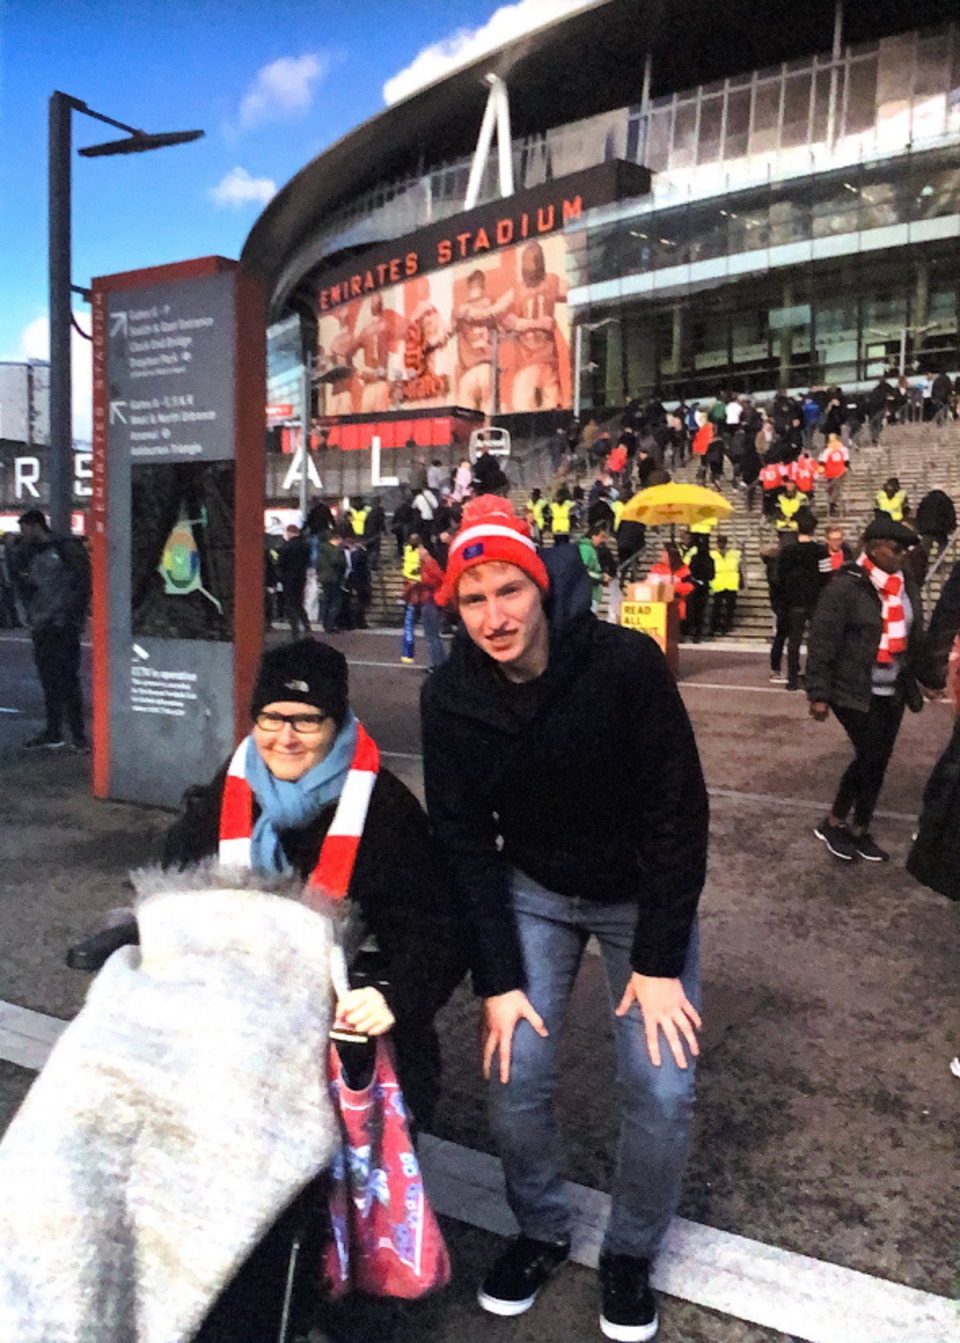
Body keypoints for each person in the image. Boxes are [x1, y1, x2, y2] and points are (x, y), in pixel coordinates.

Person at [420, 495, 707, 1342]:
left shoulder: (623, 664)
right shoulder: (449, 696)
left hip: (639, 890)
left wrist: (657, 959)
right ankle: (540, 1225)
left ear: (541, 587)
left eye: (508, 589)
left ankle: (630, 1252)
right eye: (473, 600)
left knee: (661, 1083)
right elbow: (464, 841)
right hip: (533, 885)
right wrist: (498, 978)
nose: (494, 616)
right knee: (513, 1071)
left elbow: (678, 812)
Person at [163, 639, 465, 1128]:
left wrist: (392, 995)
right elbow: (173, 882)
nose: (286, 737)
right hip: (236, 1012)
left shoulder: (384, 808)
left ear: (336, 722)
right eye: (271, 718)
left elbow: (435, 929)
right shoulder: (231, 785)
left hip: (339, 1023)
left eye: (306, 719)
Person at [806, 517, 925, 863]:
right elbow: (823, 641)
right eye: (897, 548)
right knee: (871, 754)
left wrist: (928, 678)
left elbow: (914, 633)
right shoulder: (847, 586)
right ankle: (832, 822)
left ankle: (859, 828)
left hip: (894, 688)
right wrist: (818, 693)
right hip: (853, 689)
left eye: (907, 550)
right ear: (873, 548)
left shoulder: (906, 583)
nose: (903, 555)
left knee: (878, 760)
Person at [10, 509, 90, 751]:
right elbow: (17, 580)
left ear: (35, 526)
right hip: (42, 624)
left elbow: (83, 583)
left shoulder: (64, 549)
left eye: (25, 528)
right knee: (49, 681)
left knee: (68, 680)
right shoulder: (32, 552)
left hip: (61, 624)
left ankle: (78, 736)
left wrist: (73, 615)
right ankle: (54, 731)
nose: (23, 533)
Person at [775, 508, 823, 690]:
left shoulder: (788, 552)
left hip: (794, 601)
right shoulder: (820, 551)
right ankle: (813, 676)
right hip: (815, 600)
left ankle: (792, 678)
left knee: (794, 641)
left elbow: (780, 577)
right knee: (815, 641)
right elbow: (826, 577)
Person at [276, 525, 312, 640]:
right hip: (301, 577)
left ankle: (294, 630)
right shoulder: (306, 545)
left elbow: (281, 563)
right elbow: (308, 561)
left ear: (289, 533)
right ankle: (306, 626)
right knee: (299, 603)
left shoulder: (287, 546)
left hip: (288, 578)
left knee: (290, 604)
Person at [708, 535, 742, 636]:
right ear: (717, 543)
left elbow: (738, 568)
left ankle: (727, 626)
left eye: (723, 542)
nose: (721, 544)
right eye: (720, 542)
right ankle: (714, 627)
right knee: (716, 607)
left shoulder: (734, 554)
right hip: (718, 583)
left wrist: (741, 580)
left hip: (731, 583)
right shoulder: (712, 554)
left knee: (730, 607)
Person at [577, 520, 609, 612]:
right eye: (601, 537)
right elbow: (583, 570)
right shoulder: (586, 549)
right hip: (589, 594)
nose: (603, 540)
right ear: (593, 536)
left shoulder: (591, 549)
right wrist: (602, 577)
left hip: (593, 593)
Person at [818, 434, 849, 517]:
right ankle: (833, 504)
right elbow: (822, 461)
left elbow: (846, 460)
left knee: (836, 486)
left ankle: (832, 503)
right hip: (830, 473)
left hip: (840, 473)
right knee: (833, 490)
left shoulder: (843, 450)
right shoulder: (827, 451)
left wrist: (846, 469)